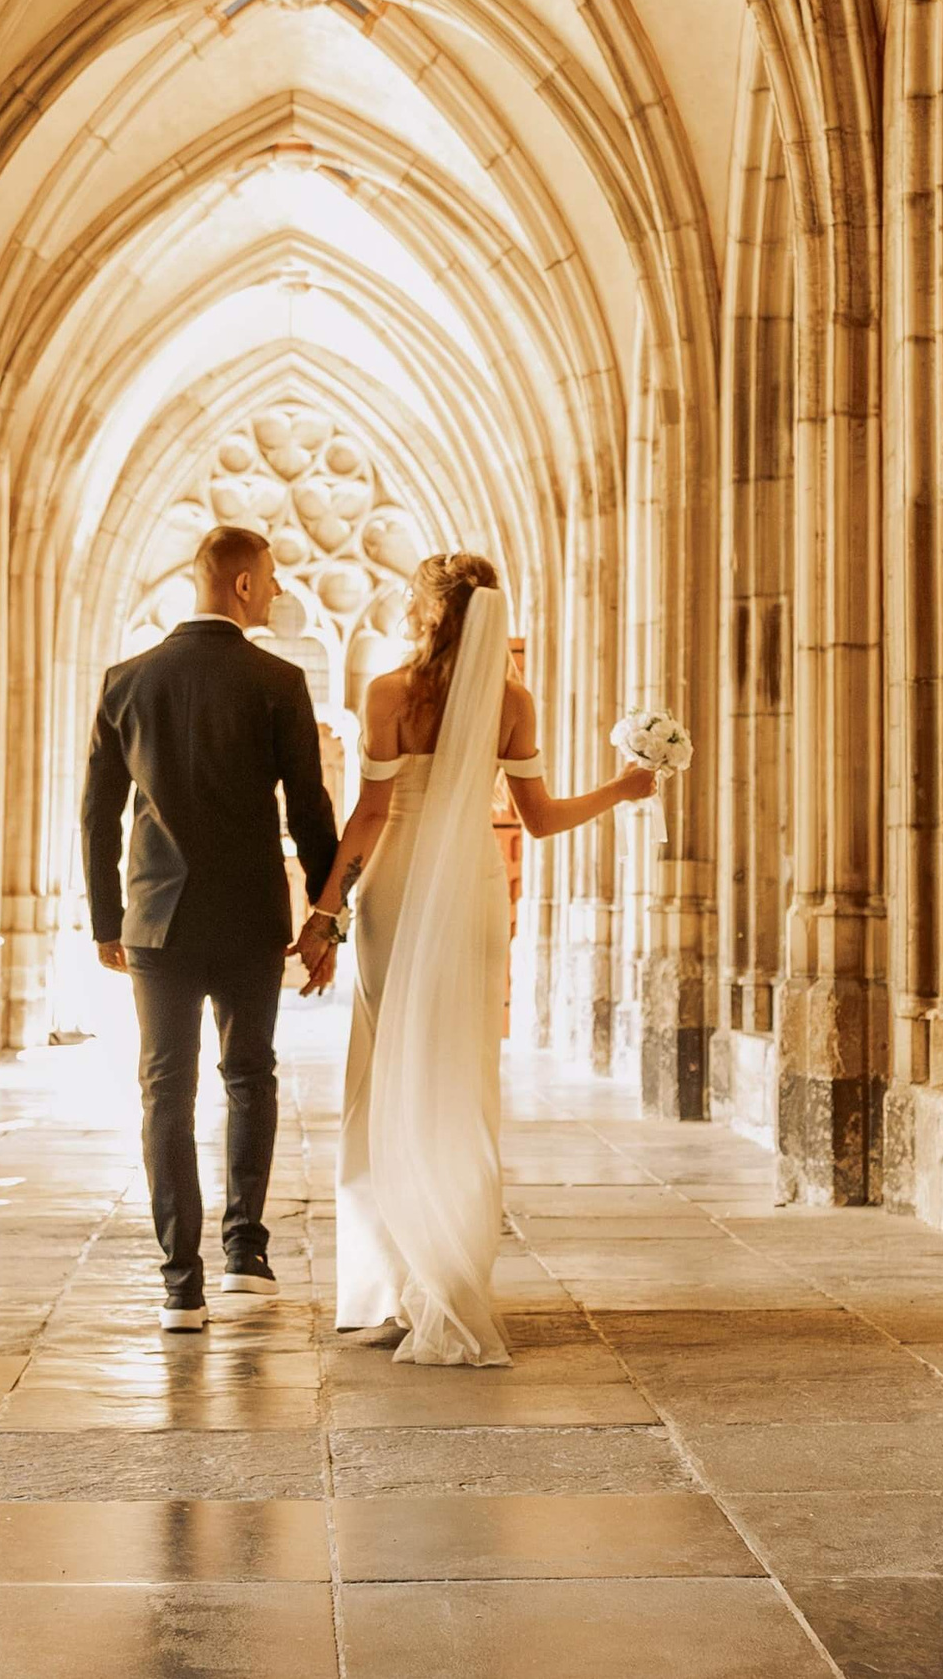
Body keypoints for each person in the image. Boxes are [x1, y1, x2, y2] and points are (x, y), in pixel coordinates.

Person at [296, 553, 656, 1365]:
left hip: (395, 888)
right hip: (471, 891)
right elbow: (539, 818)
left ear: (425, 612)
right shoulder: (510, 701)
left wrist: (326, 911)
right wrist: (621, 790)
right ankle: (450, 1278)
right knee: (459, 1075)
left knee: (381, 1067)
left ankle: (382, 1286)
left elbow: (372, 813)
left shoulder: (387, 694)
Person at [82, 525, 341, 1331]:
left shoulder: (128, 680)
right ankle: (245, 1252)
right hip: (250, 918)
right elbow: (309, 808)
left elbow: (98, 815)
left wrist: (105, 918)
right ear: (239, 585)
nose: (275, 592)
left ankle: (179, 1286)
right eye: (268, 579)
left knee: (165, 1090)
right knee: (249, 1076)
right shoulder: (278, 680)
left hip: (155, 918)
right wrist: (324, 918)